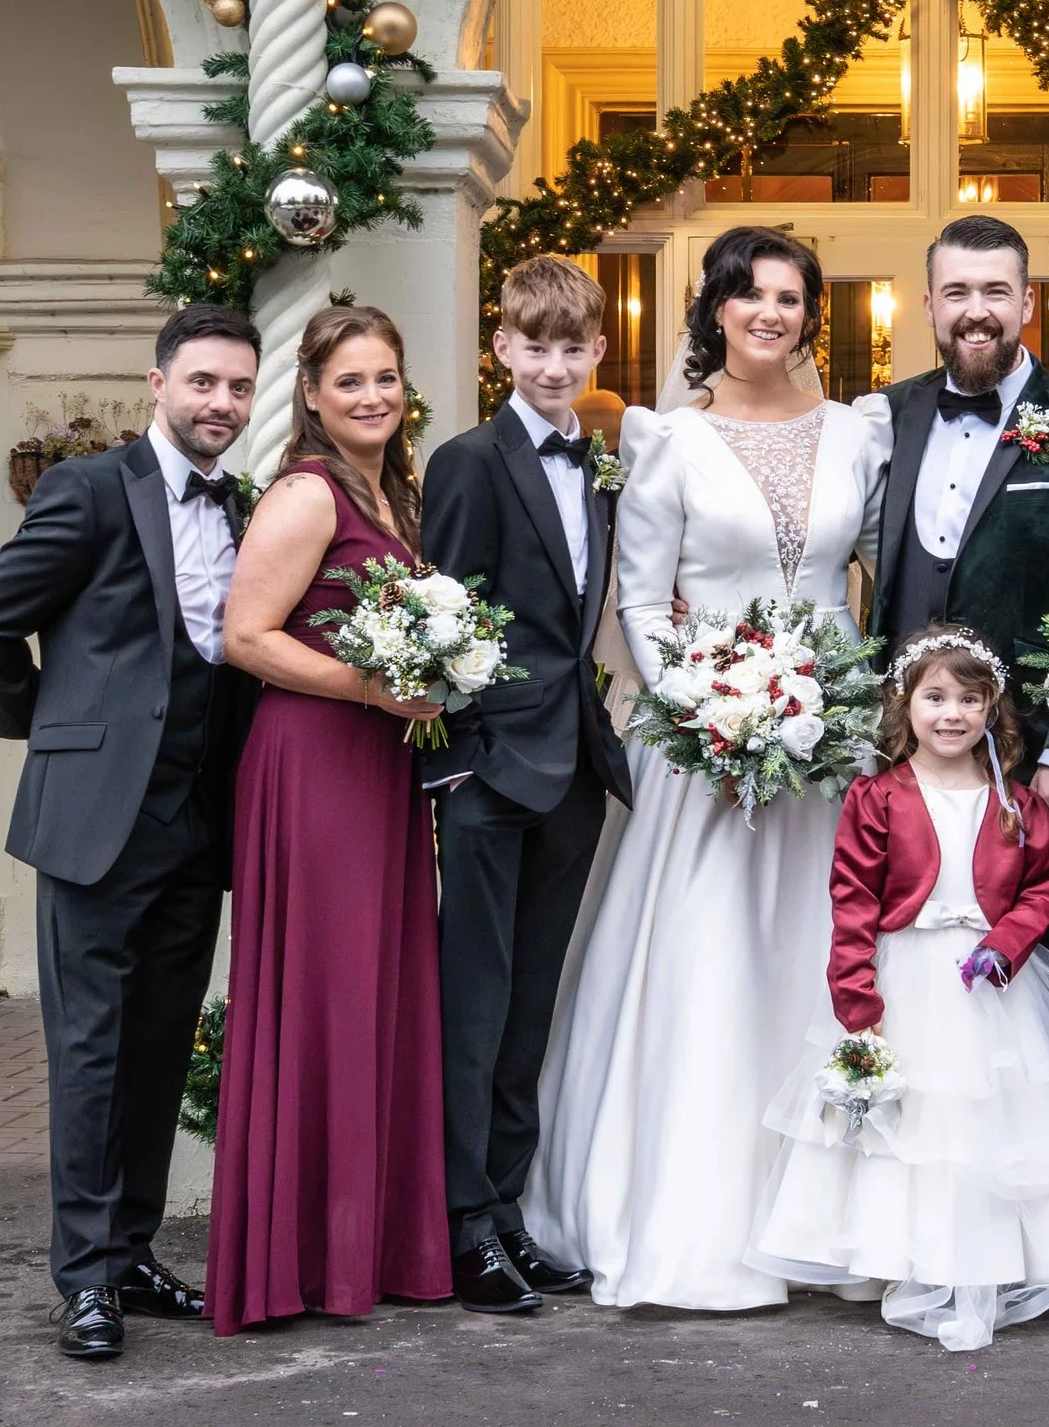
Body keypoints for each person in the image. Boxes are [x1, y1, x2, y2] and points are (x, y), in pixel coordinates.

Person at [524, 226, 889, 1310]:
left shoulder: (857, 432)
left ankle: (837, 1210)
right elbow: (640, 599)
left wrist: (824, 703)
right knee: (707, 955)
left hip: (832, 732)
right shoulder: (665, 441)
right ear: (716, 309)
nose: (770, 312)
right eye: (749, 294)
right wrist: (712, 711)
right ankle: (692, 1209)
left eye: (789, 296)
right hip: (704, 740)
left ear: (808, 314)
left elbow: (874, 566)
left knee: (829, 952)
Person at [0, 303, 261, 1360]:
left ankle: (130, 1248)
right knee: (89, 1048)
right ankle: (83, 1275)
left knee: (159, 1044)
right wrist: (50, 729)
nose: (219, 402)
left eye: (236, 387)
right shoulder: (88, 489)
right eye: (203, 382)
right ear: (159, 383)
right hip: (95, 819)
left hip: (194, 819)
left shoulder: (246, 506)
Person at [750, 627, 1049, 1352]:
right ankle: (902, 1260)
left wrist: (1003, 946)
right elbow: (852, 900)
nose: (952, 713)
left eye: (970, 699)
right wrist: (860, 1008)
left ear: (992, 711)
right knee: (912, 1126)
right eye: (936, 697)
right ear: (905, 704)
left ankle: (980, 1265)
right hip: (905, 980)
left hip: (986, 987)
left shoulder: (1015, 805)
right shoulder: (877, 796)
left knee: (983, 1124)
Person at [207, 305, 454, 1334]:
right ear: (309, 394)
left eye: (385, 377)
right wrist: (369, 687)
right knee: (324, 991)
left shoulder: (391, 494)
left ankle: (369, 1246)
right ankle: (296, 1258)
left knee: (375, 990)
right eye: (349, 379)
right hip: (313, 763)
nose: (372, 396)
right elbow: (244, 635)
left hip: (376, 764)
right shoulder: (309, 493)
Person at [417, 257, 633, 1313]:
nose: (554, 364)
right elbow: (446, 619)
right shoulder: (466, 461)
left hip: (572, 772)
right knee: (477, 1001)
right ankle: (461, 1225)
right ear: (500, 348)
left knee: (530, 1004)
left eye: (572, 347)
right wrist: (460, 767)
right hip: (492, 771)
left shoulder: (598, 463)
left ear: (598, 350)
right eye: (533, 346)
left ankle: (506, 1209)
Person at [856, 216, 1049, 983]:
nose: (975, 309)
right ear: (928, 306)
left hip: (1031, 756)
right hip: (902, 750)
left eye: (994, 291)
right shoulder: (886, 414)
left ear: (1027, 303)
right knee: (901, 949)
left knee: (1048, 959)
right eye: (957, 291)